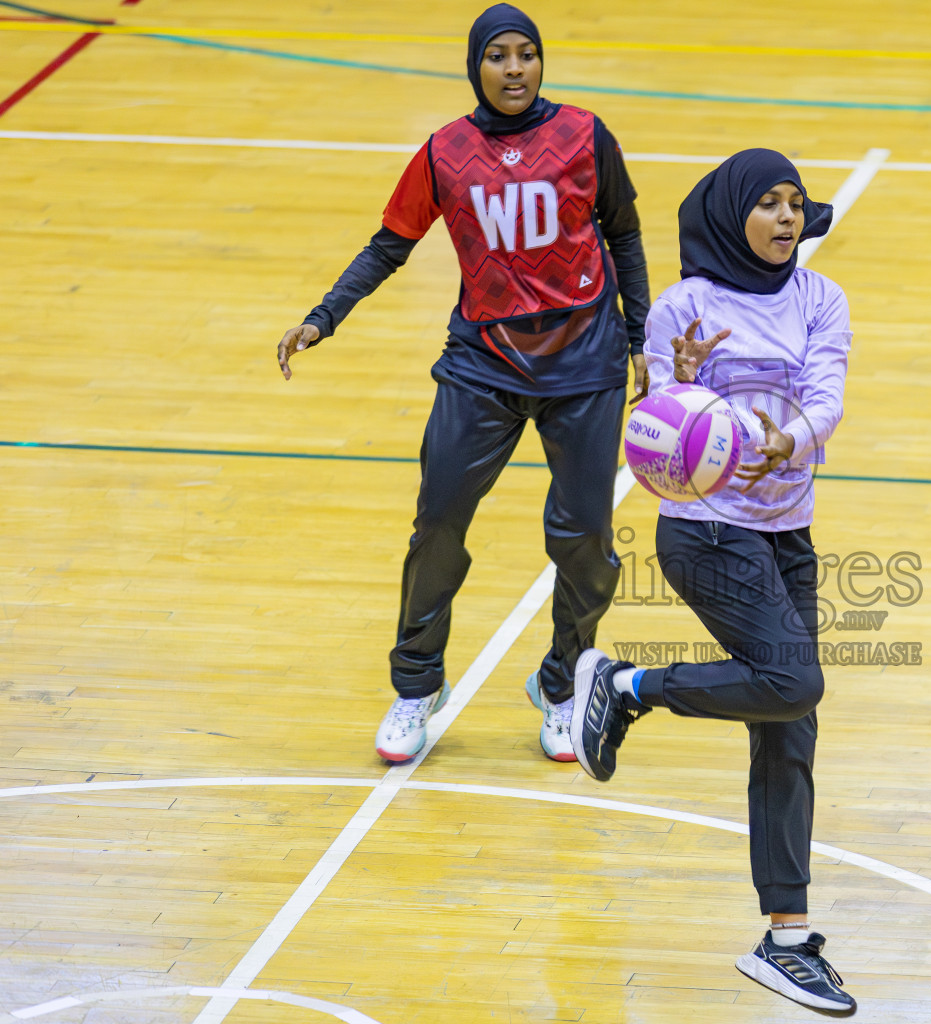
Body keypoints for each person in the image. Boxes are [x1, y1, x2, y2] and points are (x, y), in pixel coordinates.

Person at [275, 4, 651, 765]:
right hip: (482, 364)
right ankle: (417, 686)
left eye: (528, 55)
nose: (515, 69)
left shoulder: (584, 135)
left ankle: (560, 684)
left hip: (585, 364)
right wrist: (325, 315)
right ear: (475, 66)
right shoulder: (446, 151)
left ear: (542, 63)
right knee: (438, 523)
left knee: (584, 543)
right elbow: (392, 243)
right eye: (499, 56)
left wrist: (643, 338)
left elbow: (625, 234)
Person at [569, 150, 856, 1015]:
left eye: (794, 204)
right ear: (732, 215)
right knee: (793, 681)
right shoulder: (682, 307)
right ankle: (626, 687)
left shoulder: (822, 300)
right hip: (705, 533)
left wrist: (791, 439)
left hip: (788, 534)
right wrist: (680, 380)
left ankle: (786, 938)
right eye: (765, 203)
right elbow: (656, 430)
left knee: (787, 722)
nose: (783, 217)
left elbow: (827, 395)